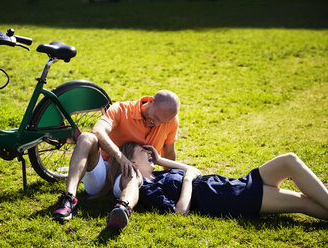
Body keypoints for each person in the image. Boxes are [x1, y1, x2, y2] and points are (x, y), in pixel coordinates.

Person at [52, 90, 181, 228]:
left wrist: (174, 184)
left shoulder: (171, 121)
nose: (156, 123)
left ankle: (123, 209)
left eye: (162, 122)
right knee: (86, 137)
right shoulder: (121, 109)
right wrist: (120, 157)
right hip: (102, 174)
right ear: (151, 100)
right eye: (155, 116)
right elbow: (98, 131)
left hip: (130, 179)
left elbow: (168, 152)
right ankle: (69, 199)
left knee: (133, 174)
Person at [115, 143, 328, 220]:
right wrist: (188, 181)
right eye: (142, 151)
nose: (148, 152)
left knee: (289, 160)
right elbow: (180, 212)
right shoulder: (149, 189)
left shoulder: (160, 174)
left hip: (231, 185)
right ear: (131, 161)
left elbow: (193, 170)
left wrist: (161, 160)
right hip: (229, 198)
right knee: (301, 201)